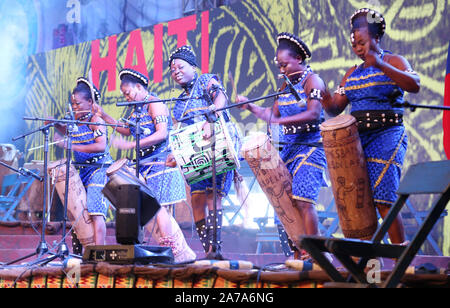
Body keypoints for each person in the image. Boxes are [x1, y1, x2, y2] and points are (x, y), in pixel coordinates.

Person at [322, 8, 420, 244]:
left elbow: (414, 84)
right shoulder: (351, 74)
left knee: (384, 198)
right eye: (355, 44)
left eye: (362, 42)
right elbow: (335, 107)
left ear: (376, 38)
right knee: (359, 203)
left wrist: (379, 64)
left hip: (387, 135)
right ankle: (368, 261)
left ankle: (400, 259)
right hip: (356, 142)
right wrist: (321, 92)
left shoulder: (394, 60)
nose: (358, 48)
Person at [236, 32, 328, 259]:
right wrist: (250, 107)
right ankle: (298, 254)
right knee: (284, 203)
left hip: (312, 145)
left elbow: (314, 112)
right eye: (279, 65)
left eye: (285, 64)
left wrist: (279, 121)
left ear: (298, 58)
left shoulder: (313, 81)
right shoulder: (284, 87)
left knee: (304, 199)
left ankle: (316, 254)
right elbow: (271, 114)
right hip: (289, 148)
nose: (282, 69)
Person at [93, 68, 196, 263]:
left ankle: (173, 252)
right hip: (146, 165)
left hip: (161, 162)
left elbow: (162, 133)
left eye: (128, 92)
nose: (127, 96)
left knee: (159, 210)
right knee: (152, 209)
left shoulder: (154, 103)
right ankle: (171, 253)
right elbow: (126, 129)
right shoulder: (136, 110)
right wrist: (105, 116)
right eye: (124, 94)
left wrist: (132, 145)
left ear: (139, 87)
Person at [168, 45, 241, 258]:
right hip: (195, 155)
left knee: (213, 196)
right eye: (173, 70)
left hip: (218, 146)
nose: (176, 72)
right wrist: (174, 153)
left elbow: (221, 98)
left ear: (193, 66)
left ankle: (215, 250)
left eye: (180, 66)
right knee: (197, 199)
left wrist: (212, 117)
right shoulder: (179, 103)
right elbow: (178, 131)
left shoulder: (206, 80)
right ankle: (207, 249)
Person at [54, 77, 112, 248]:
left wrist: (71, 146)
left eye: (78, 103)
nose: (74, 107)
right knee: (79, 212)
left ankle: (98, 252)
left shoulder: (96, 120)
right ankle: (80, 253)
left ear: (90, 102)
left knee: (95, 211)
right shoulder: (75, 121)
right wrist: (55, 125)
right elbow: (68, 131)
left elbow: (100, 146)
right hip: (83, 171)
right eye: (73, 104)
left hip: (99, 169)